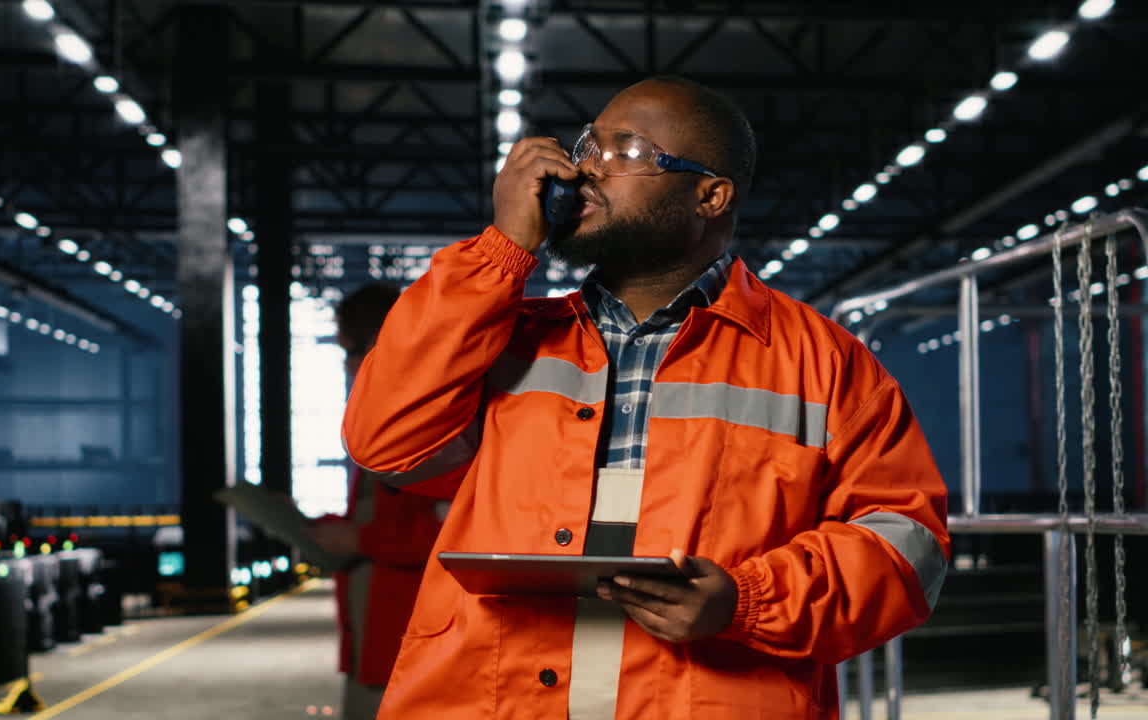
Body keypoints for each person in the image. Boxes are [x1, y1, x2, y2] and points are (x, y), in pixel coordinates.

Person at [342, 76, 949, 719]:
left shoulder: (824, 364)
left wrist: (747, 600)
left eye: (627, 151)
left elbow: (907, 546)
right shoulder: (498, 337)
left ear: (710, 195)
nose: (586, 169)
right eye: (588, 146)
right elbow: (383, 440)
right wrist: (501, 252)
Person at [307, 283, 446, 720]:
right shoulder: (385, 422)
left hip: (411, 649)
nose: (347, 364)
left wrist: (360, 540)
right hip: (376, 645)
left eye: (351, 349)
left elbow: (453, 533)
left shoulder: (436, 422)